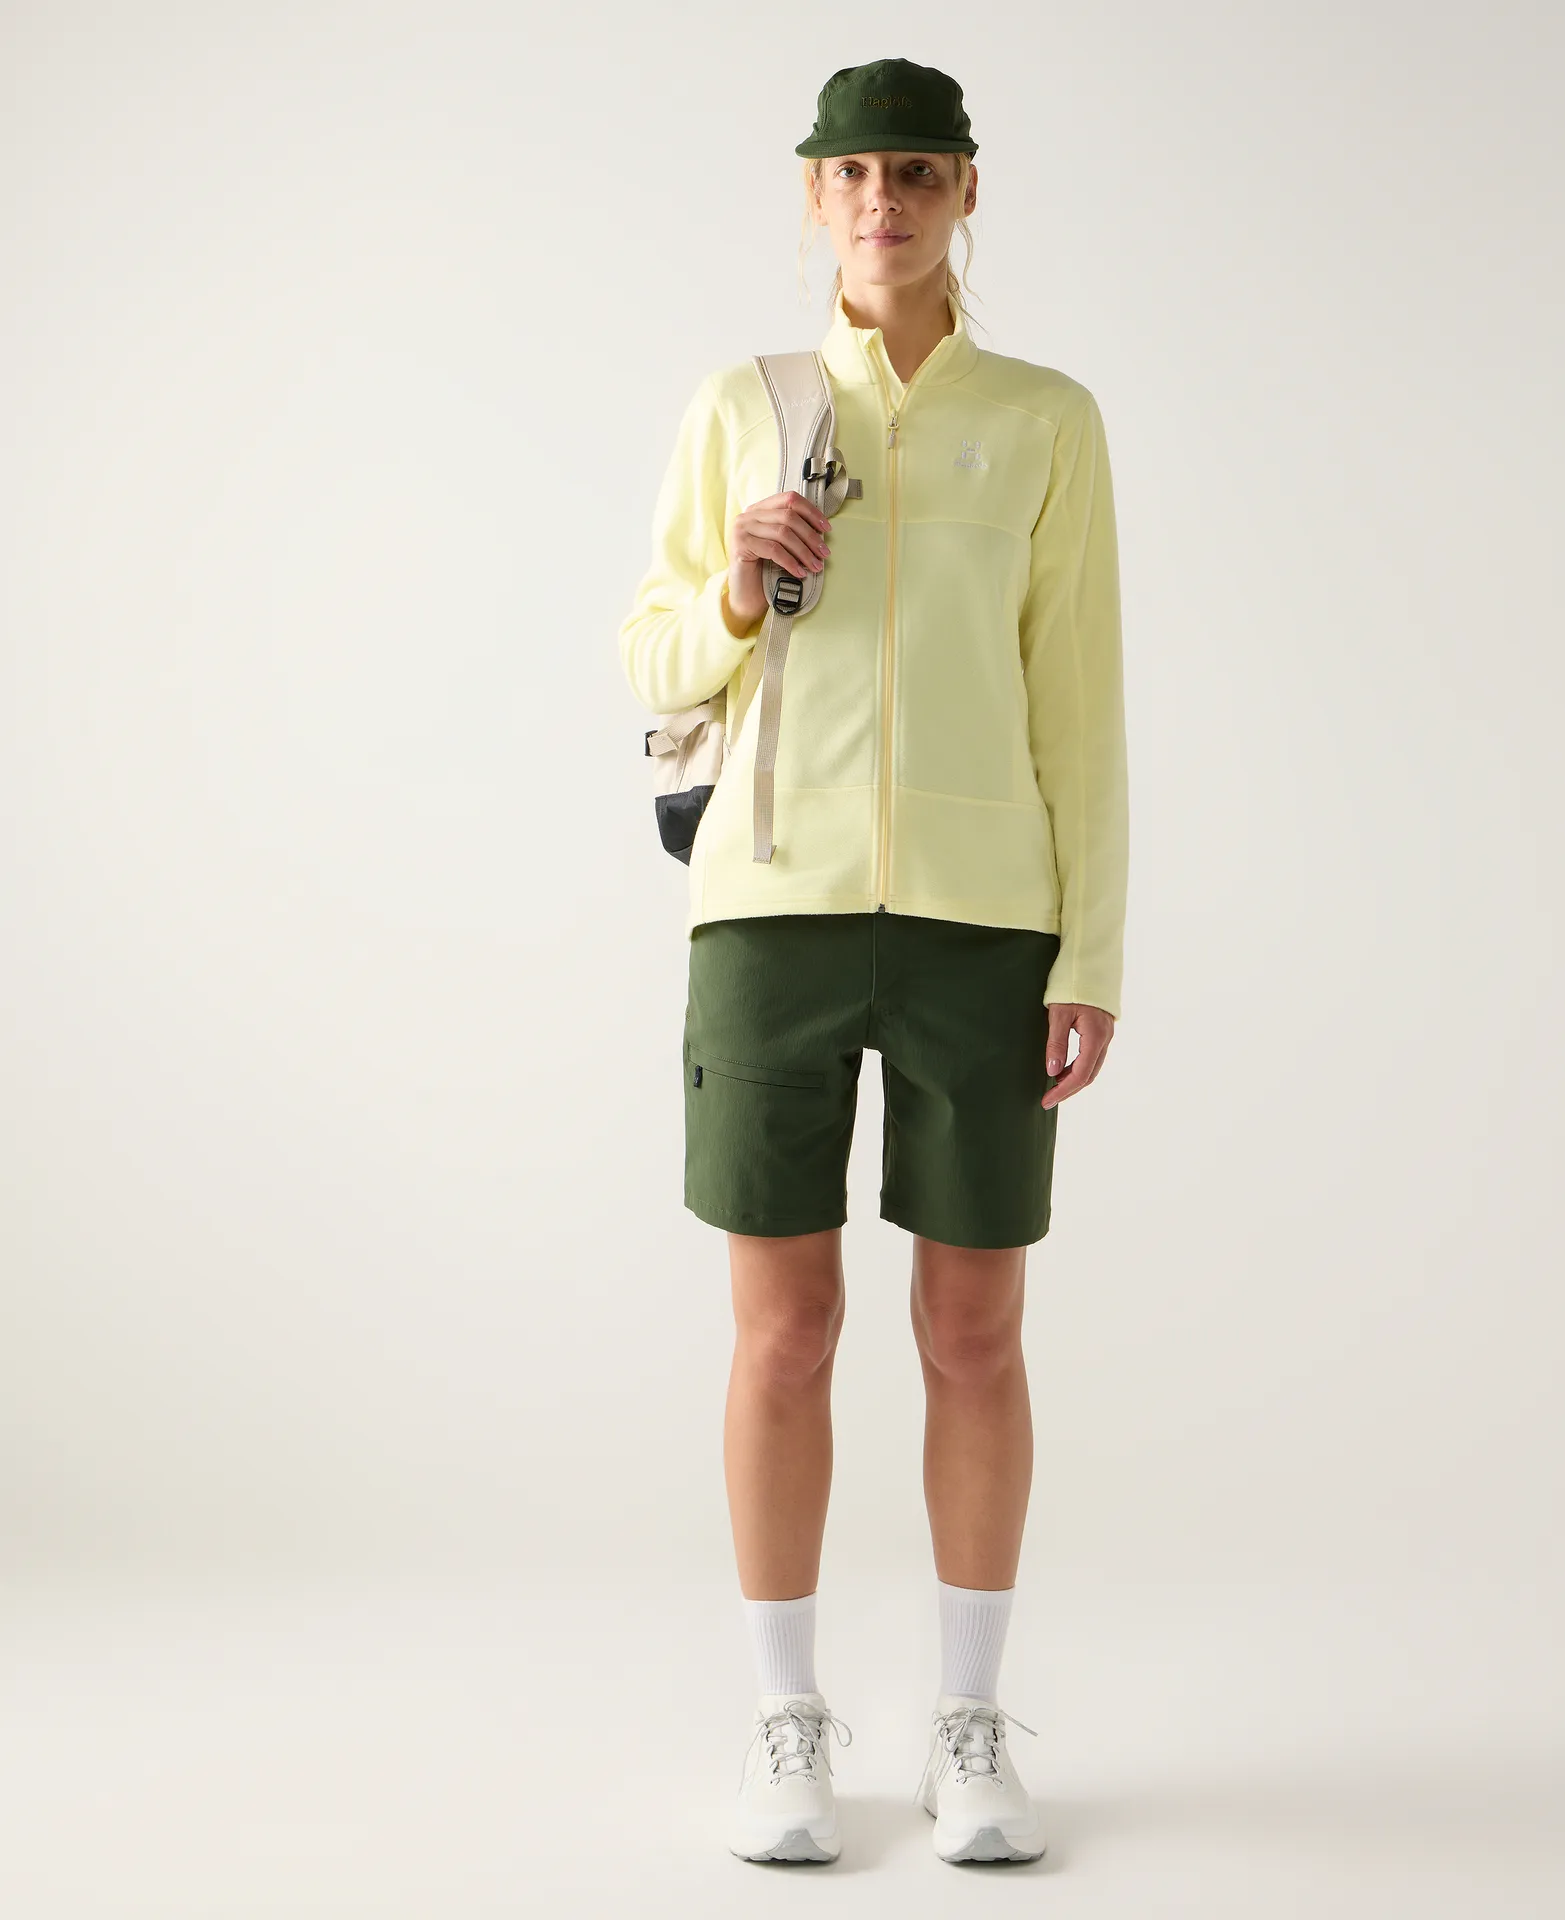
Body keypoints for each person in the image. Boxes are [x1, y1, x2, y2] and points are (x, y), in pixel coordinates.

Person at [617, 57, 1128, 1867]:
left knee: (974, 1330)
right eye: (853, 175)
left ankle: (970, 1731)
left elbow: (1082, 703)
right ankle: (787, 1726)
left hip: (988, 924)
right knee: (787, 1330)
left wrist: (1090, 947)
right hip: (770, 908)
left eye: (915, 172)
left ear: (966, 190)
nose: (883, 203)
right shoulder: (744, 407)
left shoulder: (1046, 420)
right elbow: (651, 658)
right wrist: (733, 590)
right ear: (813, 195)